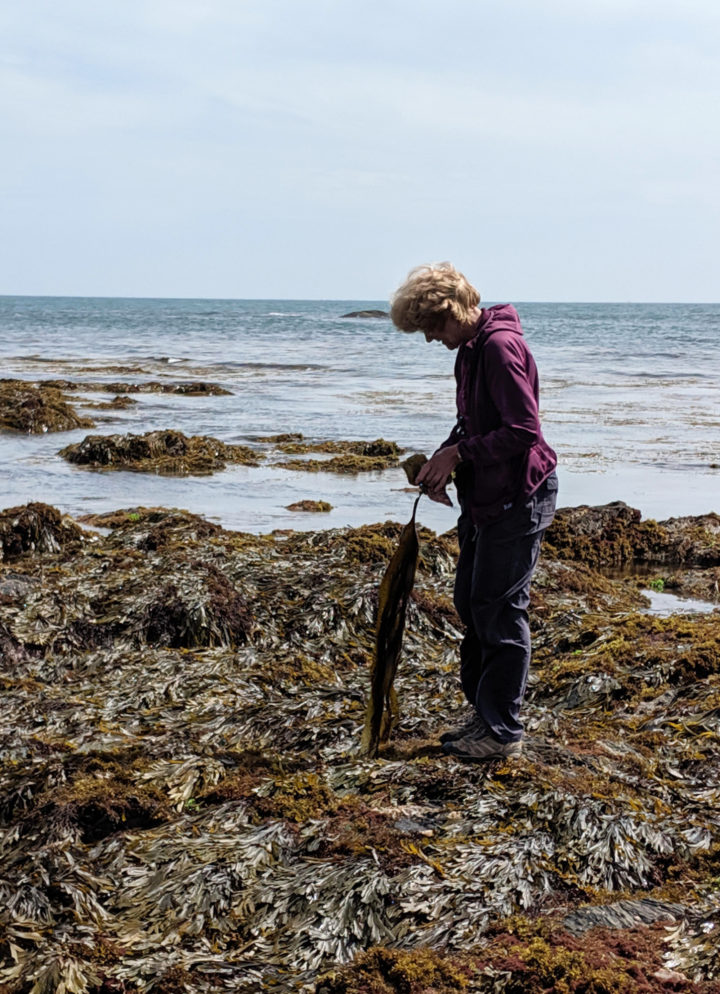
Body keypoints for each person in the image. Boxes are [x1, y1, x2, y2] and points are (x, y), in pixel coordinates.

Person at [390, 262, 558, 761]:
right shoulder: (469, 349)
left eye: (432, 327)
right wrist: (442, 461)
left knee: (499, 609)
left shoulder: (500, 348)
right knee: (470, 601)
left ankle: (502, 732)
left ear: (455, 310)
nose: (429, 339)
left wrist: (459, 456)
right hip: (485, 496)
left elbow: (524, 431)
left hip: (519, 496)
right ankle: (486, 715)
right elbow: (471, 422)